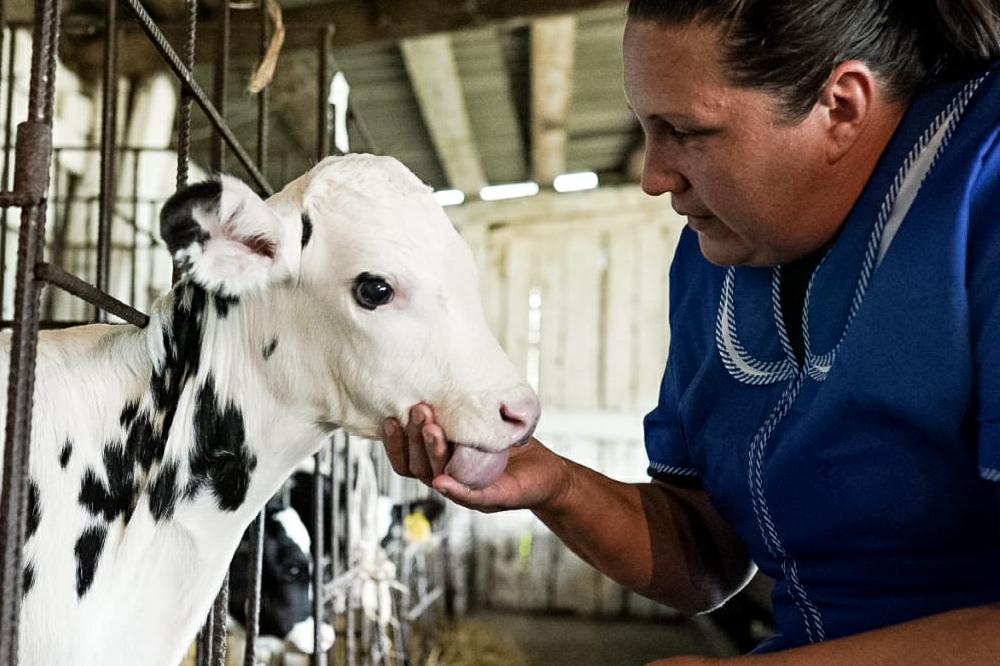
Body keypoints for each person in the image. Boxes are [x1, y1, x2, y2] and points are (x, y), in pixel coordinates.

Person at [381, 0, 1000, 661]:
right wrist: (554, 484)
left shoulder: (981, 193)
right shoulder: (718, 259)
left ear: (842, 108)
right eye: (648, 129)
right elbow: (707, 559)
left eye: (685, 131)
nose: (653, 177)